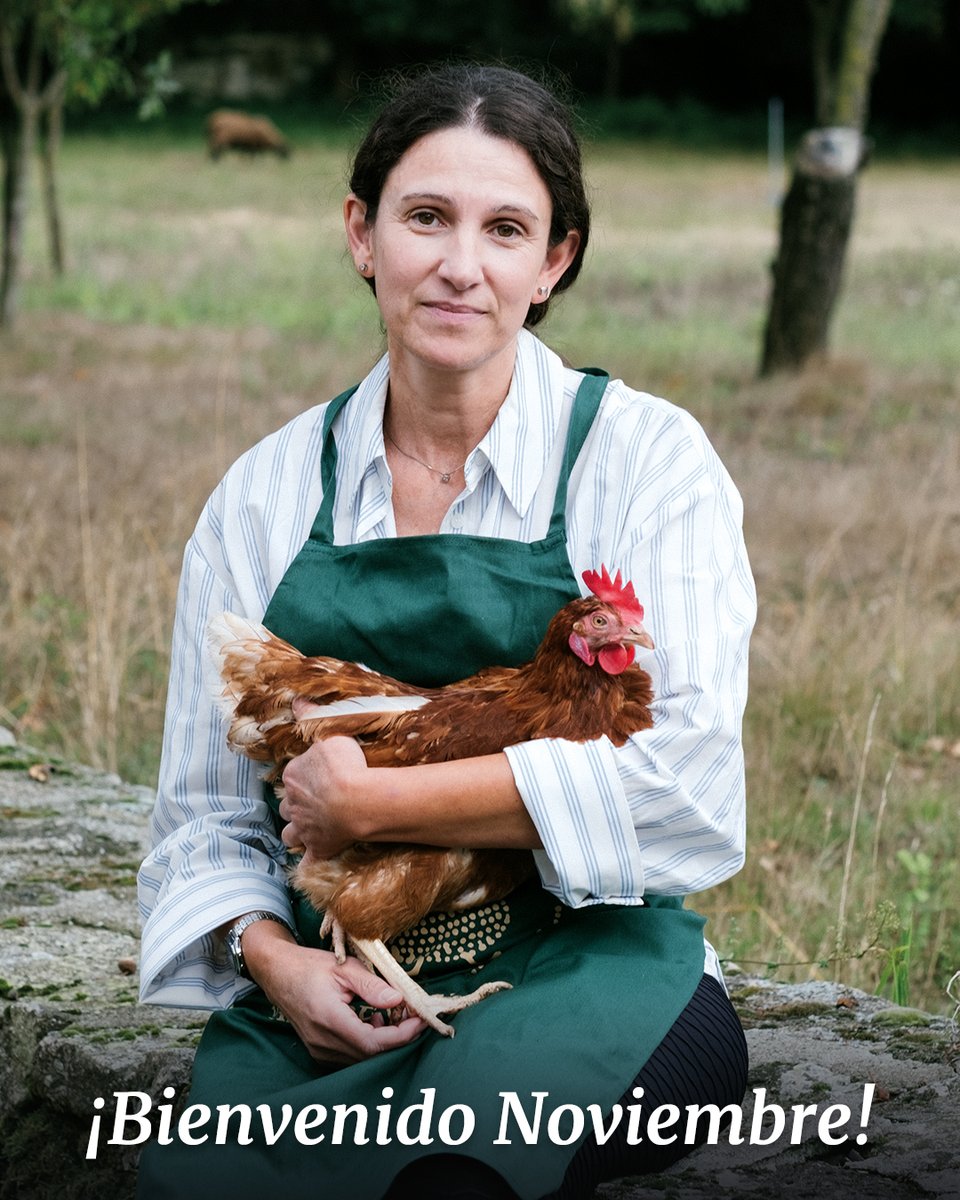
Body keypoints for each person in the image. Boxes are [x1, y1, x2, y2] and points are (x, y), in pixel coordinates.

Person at [136, 63, 755, 1200]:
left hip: (587, 962)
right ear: (363, 235)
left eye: (505, 228)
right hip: (343, 969)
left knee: (453, 1180)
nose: (461, 265)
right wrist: (273, 964)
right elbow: (203, 819)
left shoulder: (647, 463)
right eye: (426, 218)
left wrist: (370, 803)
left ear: (553, 260)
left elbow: (689, 789)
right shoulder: (265, 497)